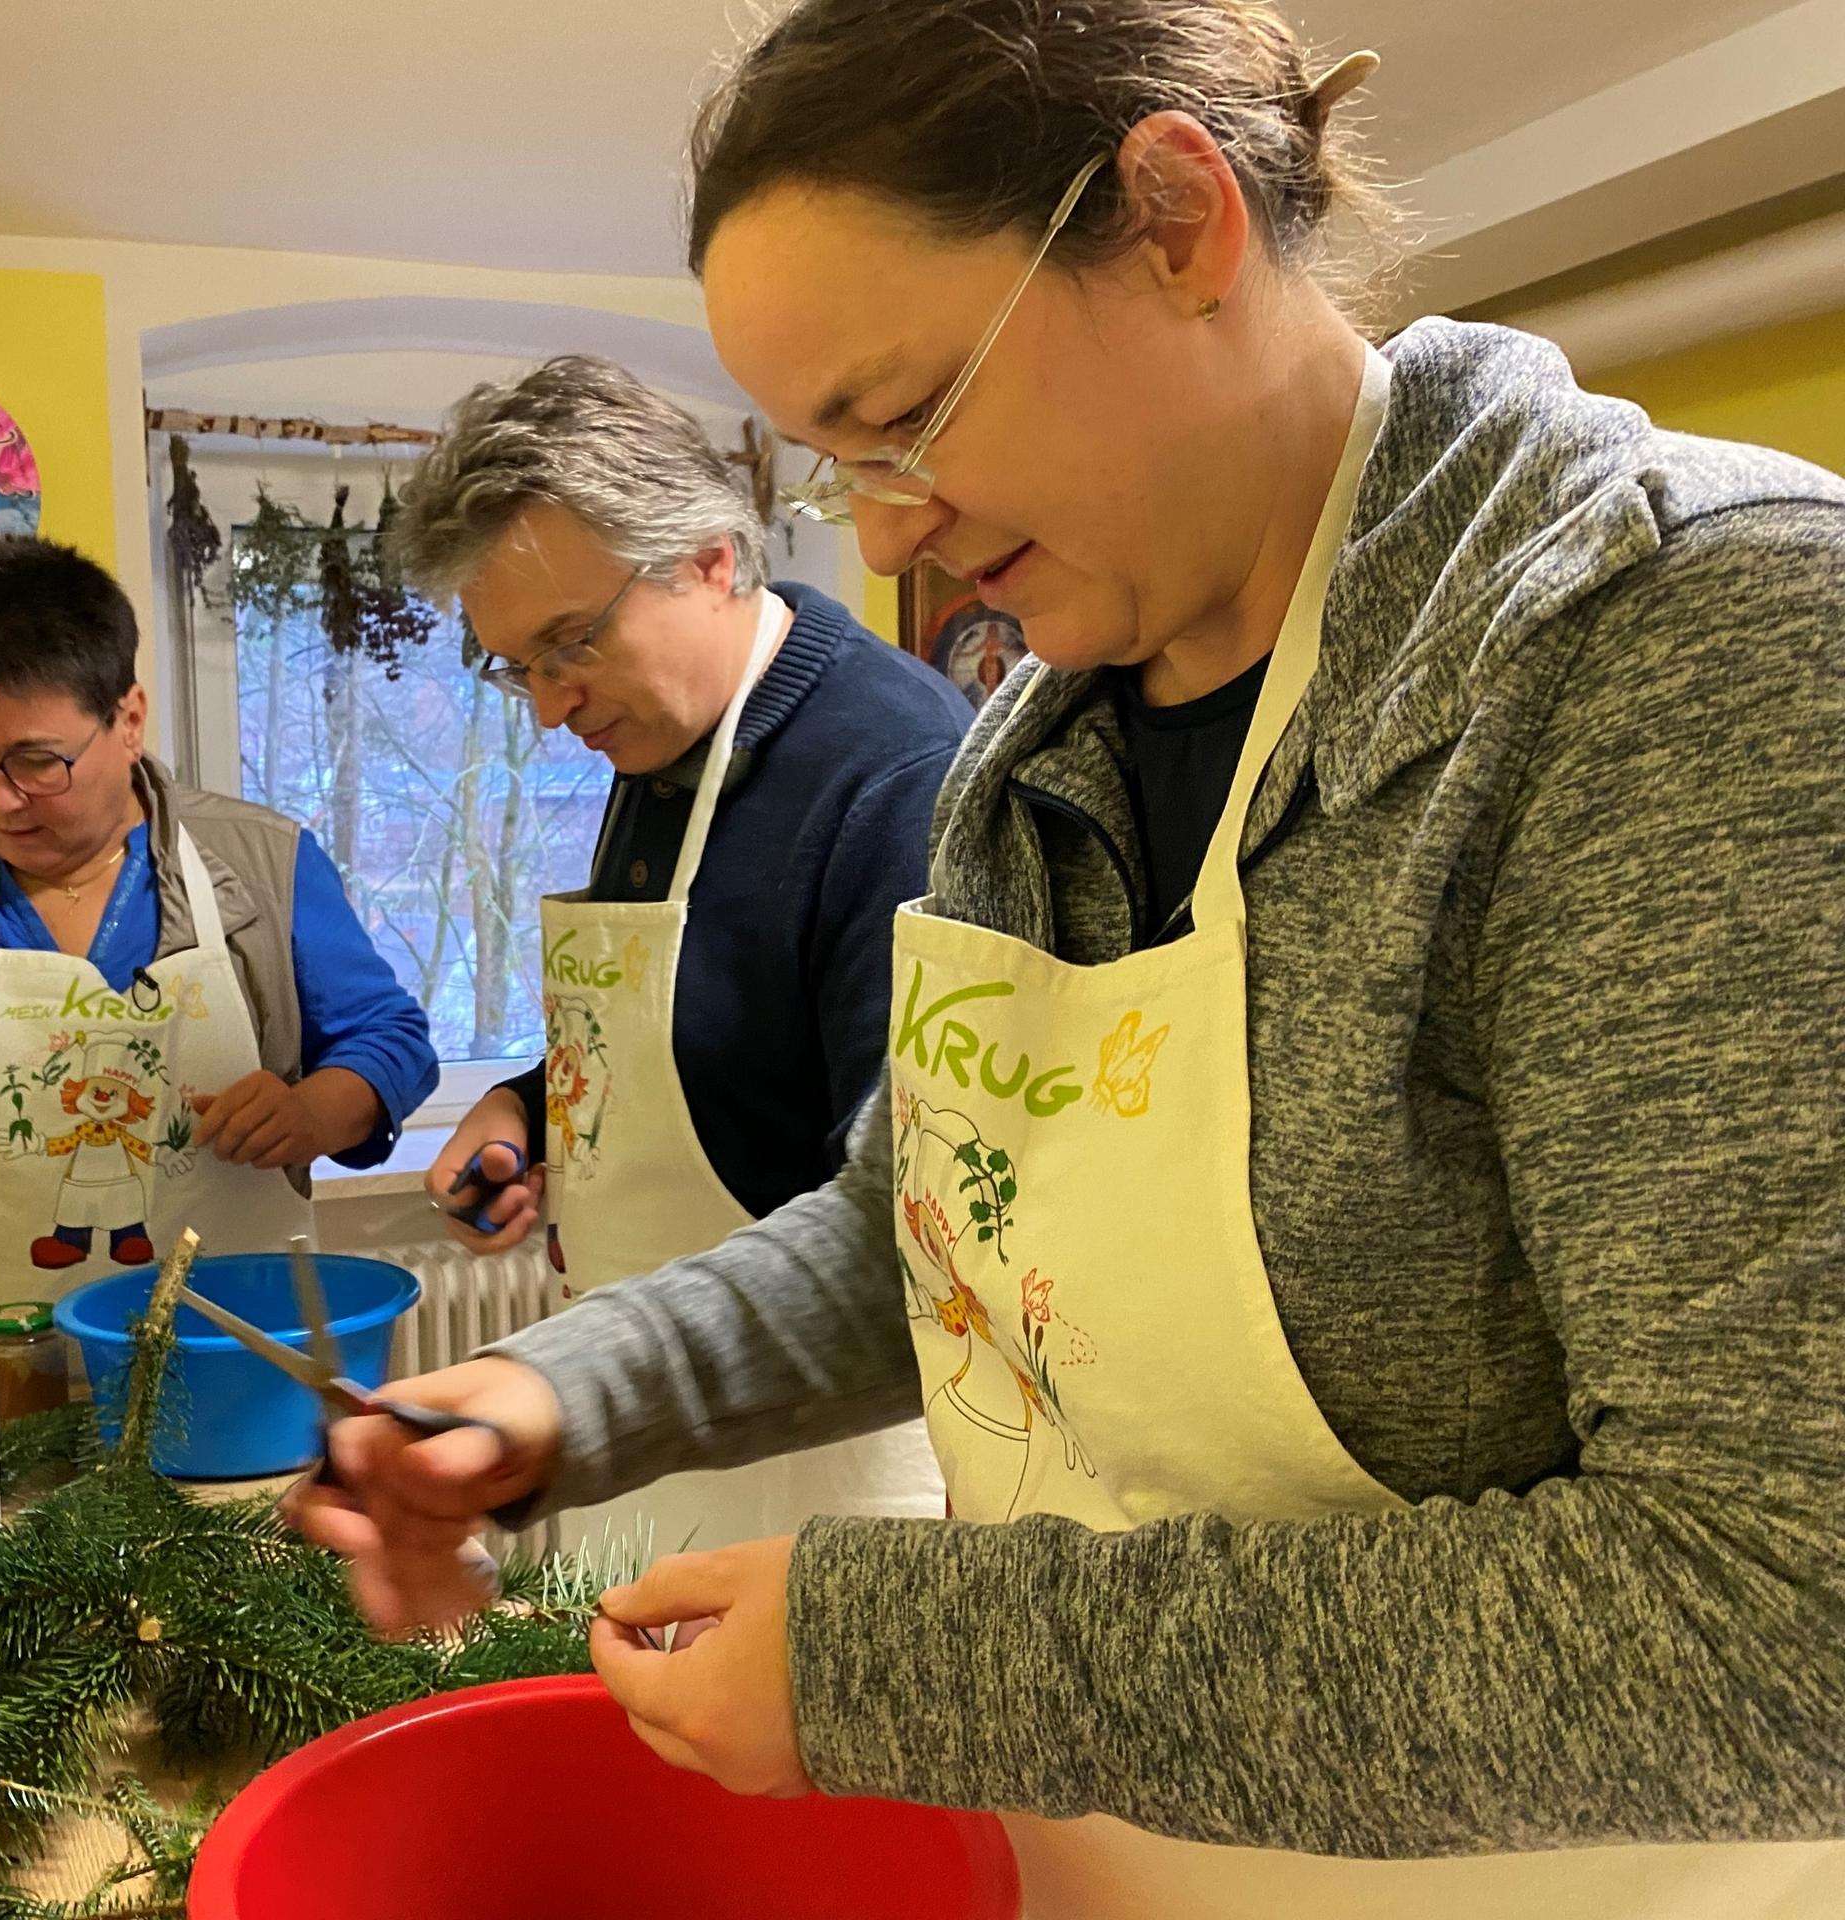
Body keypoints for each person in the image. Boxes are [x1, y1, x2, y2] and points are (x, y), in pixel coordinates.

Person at [292, 3, 1845, 1913]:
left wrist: (901, 1662)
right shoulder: (1042, 759)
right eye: (828, 460)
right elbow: (935, 1228)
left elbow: (1789, 1614)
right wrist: (556, 1394)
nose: (883, 527)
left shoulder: (1696, 654)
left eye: (910, 415)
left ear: (1179, 219)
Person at [387, 356, 971, 1556]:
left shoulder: (896, 777)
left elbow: (905, 1225)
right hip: (637, 1411)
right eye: (516, 668)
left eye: (569, 645)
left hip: (816, 1456)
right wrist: (525, 1113)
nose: (549, 706)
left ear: (711, 556)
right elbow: (704, 1029)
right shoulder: (657, 745)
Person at [0, 536, 437, 1298]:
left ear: (128, 720)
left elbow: (389, 1040)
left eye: (35, 762)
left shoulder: (263, 866)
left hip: (230, 1347)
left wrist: (313, 1112)